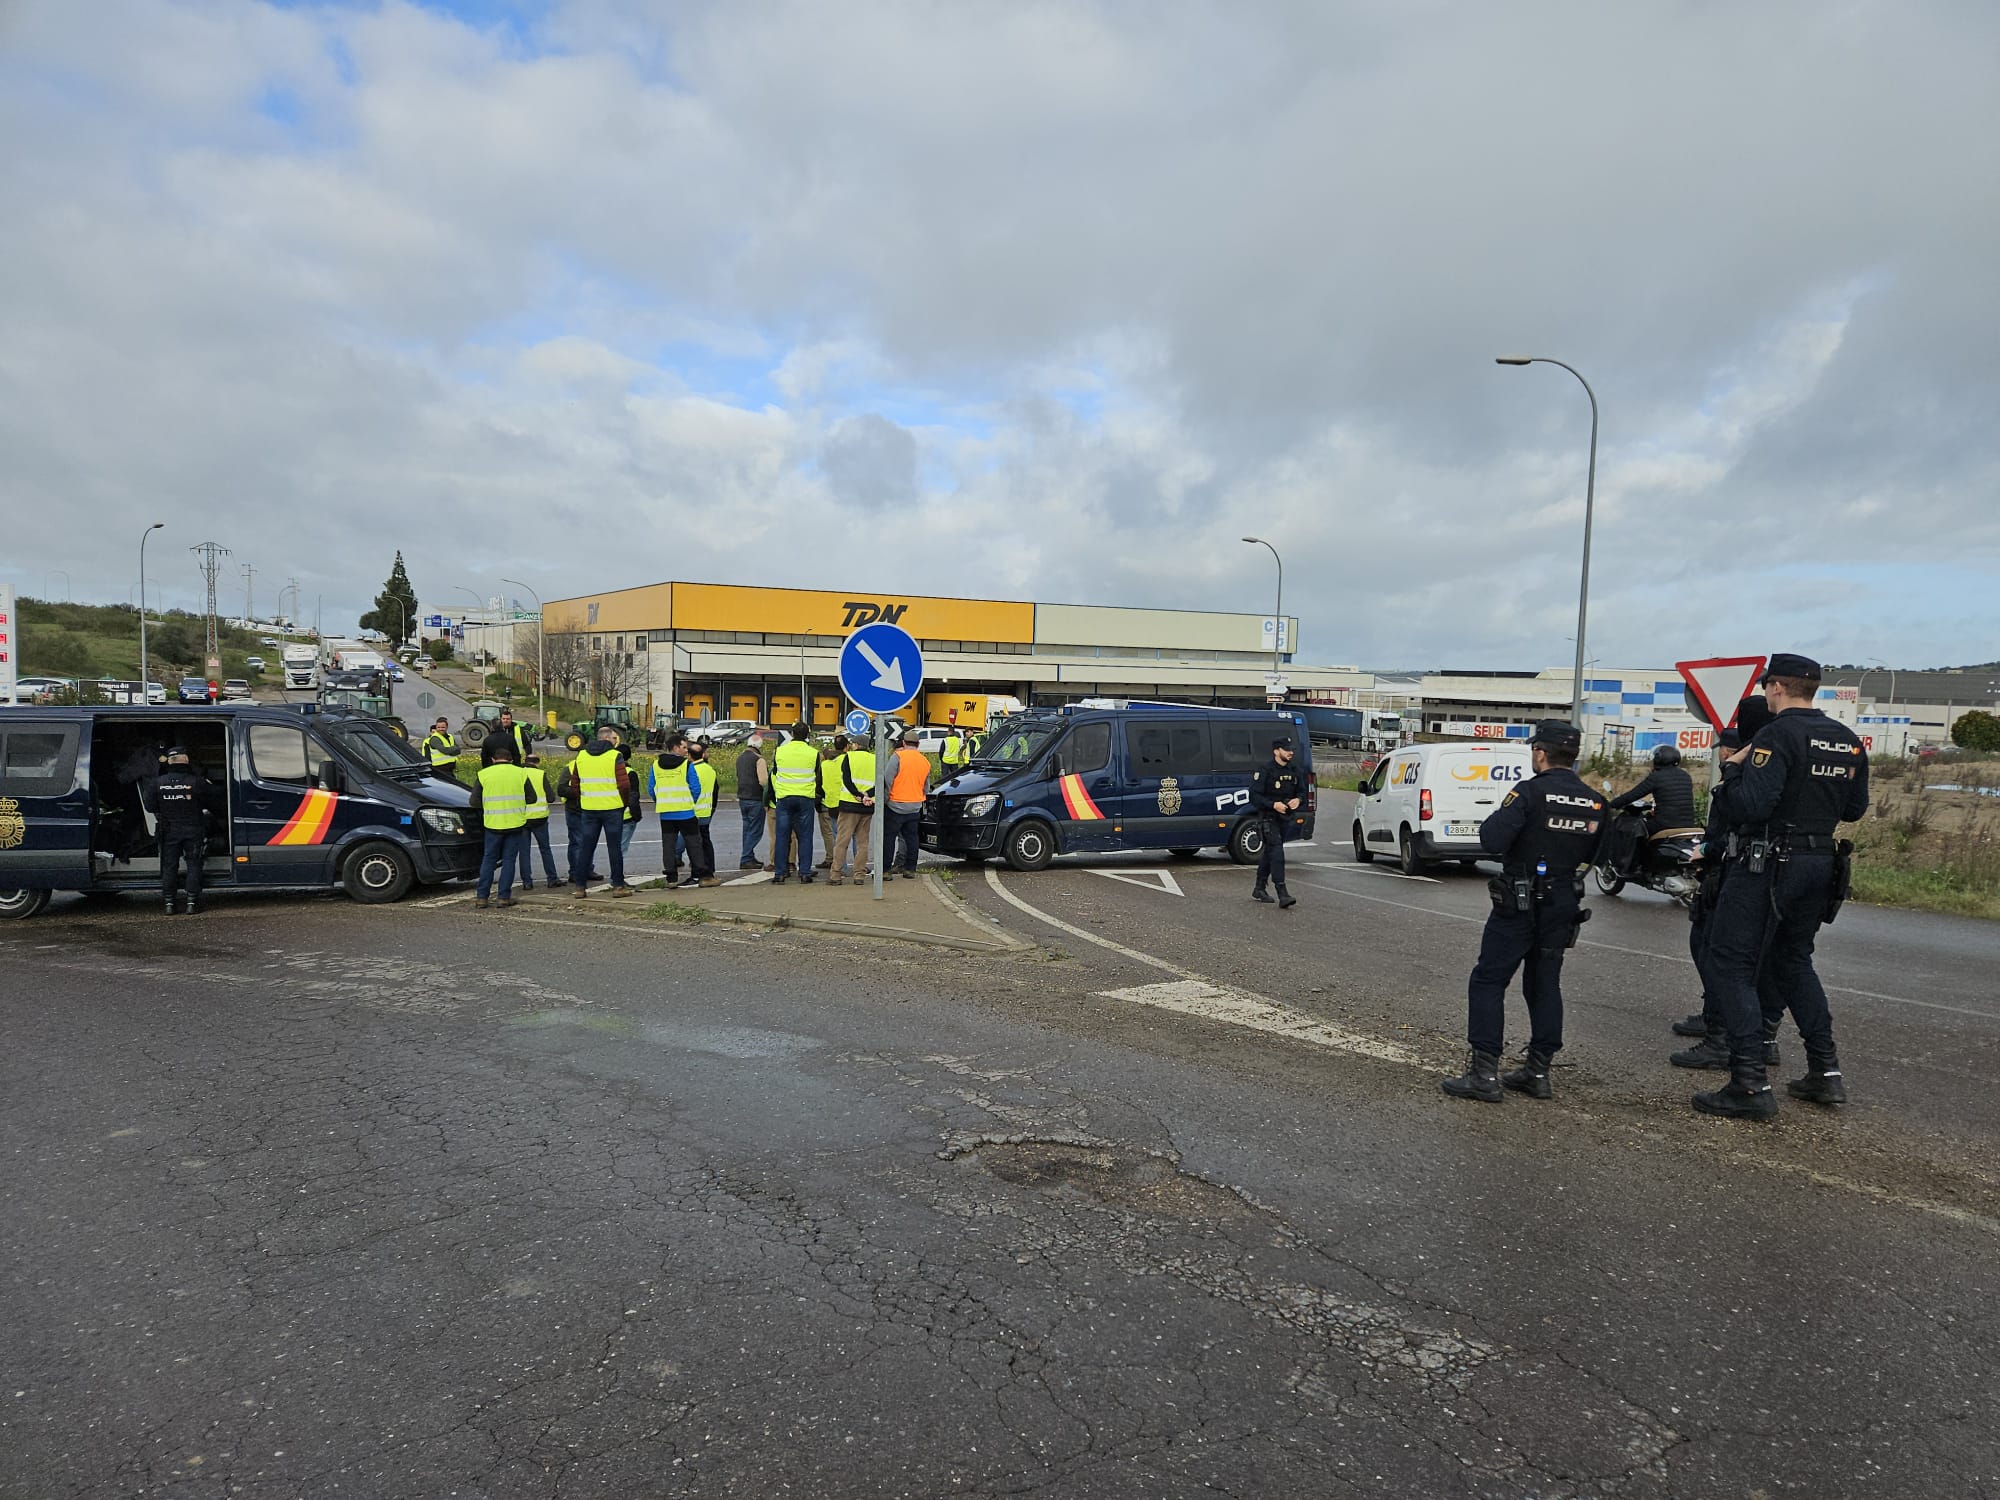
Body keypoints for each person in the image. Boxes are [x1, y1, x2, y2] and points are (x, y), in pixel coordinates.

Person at [1692, 655, 1869, 1121]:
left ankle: (1748, 1081)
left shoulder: (1776, 735)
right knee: (1793, 961)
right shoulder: (1848, 742)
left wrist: (1731, 771)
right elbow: (1853, 809)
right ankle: (1825, 1072)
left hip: (1768, 862)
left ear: (1774, 688)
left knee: (1729, 962)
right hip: (1820, 863)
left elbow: (1752, 804)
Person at [1442, 720, 1606, 1104]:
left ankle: (1484, 1073)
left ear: (1540, 752)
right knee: (1544, 983)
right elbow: (1601, 854)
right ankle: (1538, 1070)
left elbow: (1491, 839)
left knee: (1488, 980)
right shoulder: (1596, 802)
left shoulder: (1529, 793)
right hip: (1563, 902)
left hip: (1520, 901)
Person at [1670, 695, 1776, 1067]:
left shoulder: (1746, 771)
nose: (1720, 753)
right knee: (1762, 960)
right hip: (1763, 871)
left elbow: (1734, 820)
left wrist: (1709, 850)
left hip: (1732, 869)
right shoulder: (1771, 765)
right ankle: (1758, 1036)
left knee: (1714, 951)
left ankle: (1721, 1036)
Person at [569, 728, 637, 899]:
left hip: (589, 808)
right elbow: (624, 784)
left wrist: (582, 800)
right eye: (614, 737)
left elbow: (575, 783)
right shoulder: (614, 756)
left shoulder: (581, 756)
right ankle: (618, 885)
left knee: (586, 848)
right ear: (607, 738)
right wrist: (624, 802)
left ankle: (579, 886)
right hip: (612, 808)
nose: (616, 740)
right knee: (614, 848)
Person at [469, 740, 537, 909]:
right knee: (508, 861)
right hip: (515, 824)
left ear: (493, 759)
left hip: (492, 824)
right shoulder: (520, 773)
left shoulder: (483, 774)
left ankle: (482, 897)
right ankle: (503, 897)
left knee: (489, 860)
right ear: (511, 760)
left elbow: (474, 801)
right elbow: (532, 798)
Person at [153, 745, 219, 915]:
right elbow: (214, 799)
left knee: (169, 866)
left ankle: (169, 904)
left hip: (169, 830)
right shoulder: (197, 781)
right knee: (193, 864)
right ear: (187, 760)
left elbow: (149, 805)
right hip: (193, 829)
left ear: (169, 761)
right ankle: (192, 903)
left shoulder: (158, 782)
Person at [1249, 737, 1304, 908]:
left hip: (1285, 818)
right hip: (1268, 818)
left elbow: (1301, 791)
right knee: (1277, 851)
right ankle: (1282, 893)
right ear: (1276, 751)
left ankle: (1259, 887)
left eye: (1291, 749)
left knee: (1270, 852)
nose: (1290, 752)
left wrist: (1298, 800)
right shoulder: (1265, 770)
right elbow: (1254, 796)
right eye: (1286, 749)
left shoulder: (1294, 770)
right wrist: (1273, 804)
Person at [770, 722, 820, 884]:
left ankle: (779, 873)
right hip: (805, 798)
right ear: (807, 735)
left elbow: (775, 772)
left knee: (782, 836)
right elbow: (817, 775)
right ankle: (804, 873)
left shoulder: (780, 751)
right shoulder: (813, 753)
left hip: (784, 797)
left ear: (792, 733)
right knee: (805, 837)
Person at [652, 733, 700, 883]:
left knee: (668, 846)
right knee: (694, 844)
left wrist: (662, 801)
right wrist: (690, 801)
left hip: (666, 813)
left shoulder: (655, 765)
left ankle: (671, 878)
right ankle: (700, 875)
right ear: (675, 748)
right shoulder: (686, 765)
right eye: (684, 747)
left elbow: (651, 788)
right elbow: (696, 788)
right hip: (685, 812)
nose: (687, 751)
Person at [885, 731, 932, 879]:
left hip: (895, 805)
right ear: (918, 745)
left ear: (904, 743)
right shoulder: (925, 761)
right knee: (912, 838)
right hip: (915, 806)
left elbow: (887, 779)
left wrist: (885, 800)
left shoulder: (897, 757)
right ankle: (910, 869)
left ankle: (885, 870)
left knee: (889, 838)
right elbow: (926, 787)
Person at [832, 735, 878, 885]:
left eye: (853, 744)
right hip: (867, 805)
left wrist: (857, 795)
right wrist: (867, 795)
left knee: (842, 841)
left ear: (857, 745)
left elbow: (846, 779)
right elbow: (880, 781)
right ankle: (859, 875)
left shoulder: (849, 757)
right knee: (862, 842)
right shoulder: (875, 759)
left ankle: (836, 875)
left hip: (849, 805)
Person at [516, 752, 561, 891]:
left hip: (522, 817)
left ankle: (527, 882)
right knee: (545, 848)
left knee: (524, 851)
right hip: (540, 818)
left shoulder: (518, 774)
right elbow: (551, 798)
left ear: (525, 761)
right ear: (537, 763)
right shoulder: (540, 774)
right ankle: (552, 878)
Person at [682, 741, 720, 887]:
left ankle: (697, 874)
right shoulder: (709, 769)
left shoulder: (691, 770)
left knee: (694, 846)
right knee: (706, 842)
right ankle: (709, 871)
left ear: (690, 756)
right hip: (706, 811)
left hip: (693, 811)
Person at [734, 733, 770, 869]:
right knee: (755, 830)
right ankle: (746, 857)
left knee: (747, 829)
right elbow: (763, 781)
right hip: (755, 798)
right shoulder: (759, 759)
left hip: (742, 797)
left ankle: (749, 856)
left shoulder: (740, 758)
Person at [816, 736, 846, 872]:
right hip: (848, 802)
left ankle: (837, 865)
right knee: (856, 837)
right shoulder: (848, 759)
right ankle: (859, 866)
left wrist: (817, 800)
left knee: (835, 836)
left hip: (830, 804)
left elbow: (819, 785)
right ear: (847, 746)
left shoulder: (826, 764)